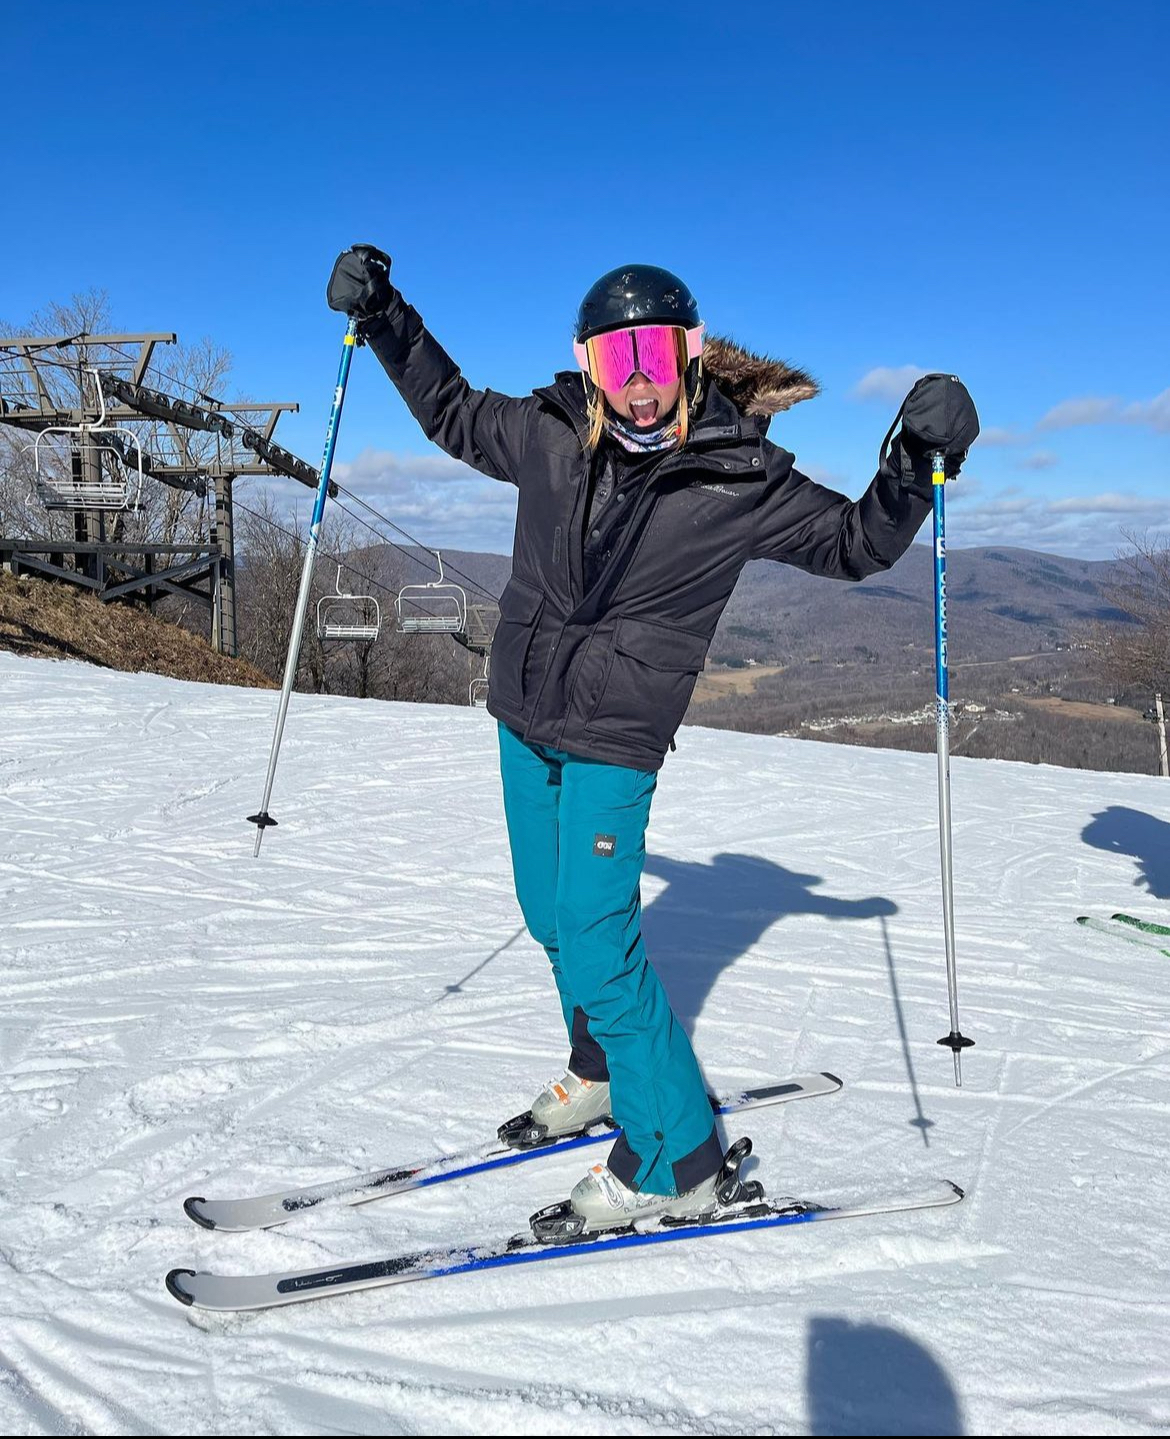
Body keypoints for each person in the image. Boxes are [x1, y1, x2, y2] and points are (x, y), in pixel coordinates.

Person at [326, 247, 978, 1233]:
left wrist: (912, 464)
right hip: (524, 711)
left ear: (692, 352)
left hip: (615, 732)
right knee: (550, 914)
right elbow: (451, 410)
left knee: (599, 938)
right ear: (586, 362)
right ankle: (600, 1067)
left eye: (656, 356)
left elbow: (857, 543)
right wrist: (385, 317)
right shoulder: (548, 432)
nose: (638, 380)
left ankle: (678, 1156)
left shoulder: (739, 474)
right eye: (615, 356)